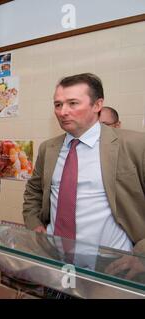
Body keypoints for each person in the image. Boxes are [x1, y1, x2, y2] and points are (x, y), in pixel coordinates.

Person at [22, 73, 145, 255]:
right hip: (55, 255)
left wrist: (141, 254)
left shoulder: (134, 145)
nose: (63, 112)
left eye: (73, 103)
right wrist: (35, 224)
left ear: (97, 105)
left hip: (112, 262)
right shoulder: (49, 148)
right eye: (58, 104)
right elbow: (34, 191)